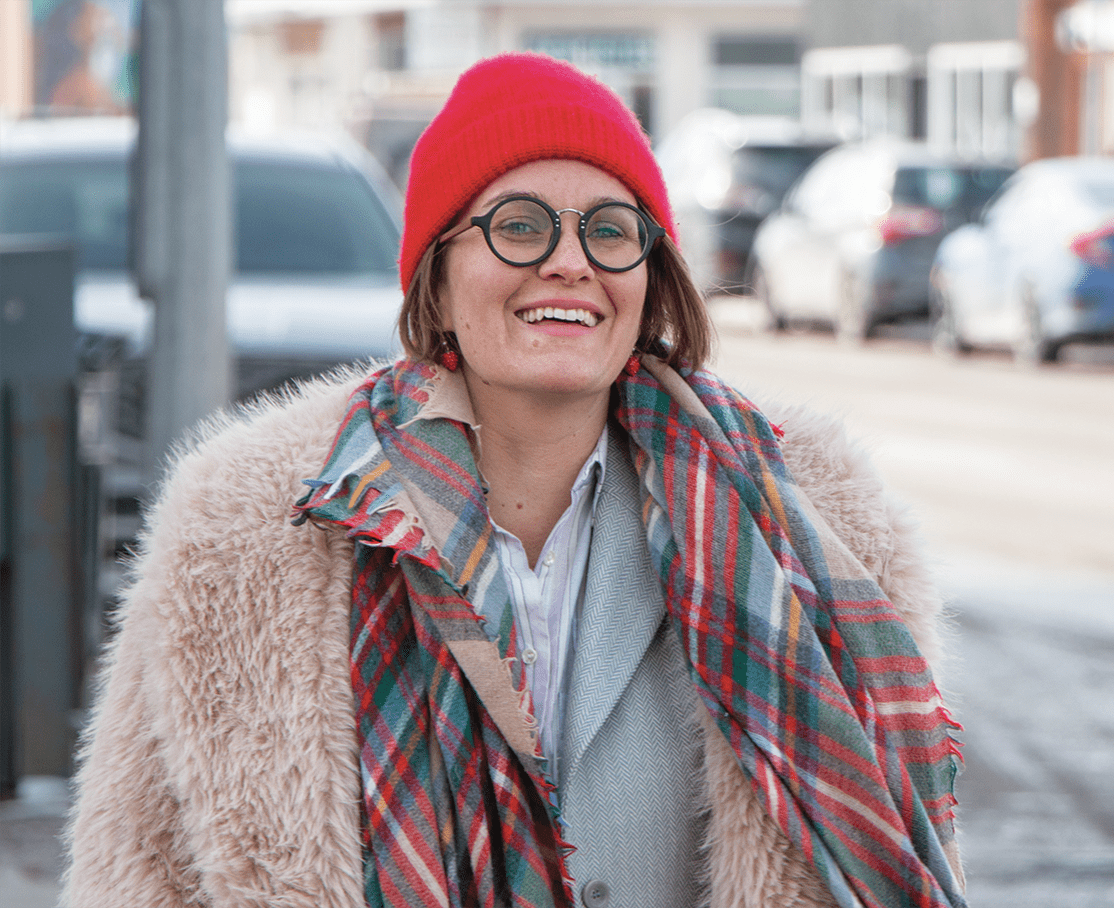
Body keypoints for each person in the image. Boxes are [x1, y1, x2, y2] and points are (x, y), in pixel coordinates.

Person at [62, 53, 967, 908]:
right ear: (439, 277)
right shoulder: (246, 529)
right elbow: (137, 874)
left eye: (611, 230)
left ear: (652, 282)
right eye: (520, 225)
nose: (570, 261)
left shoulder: (812, 518)